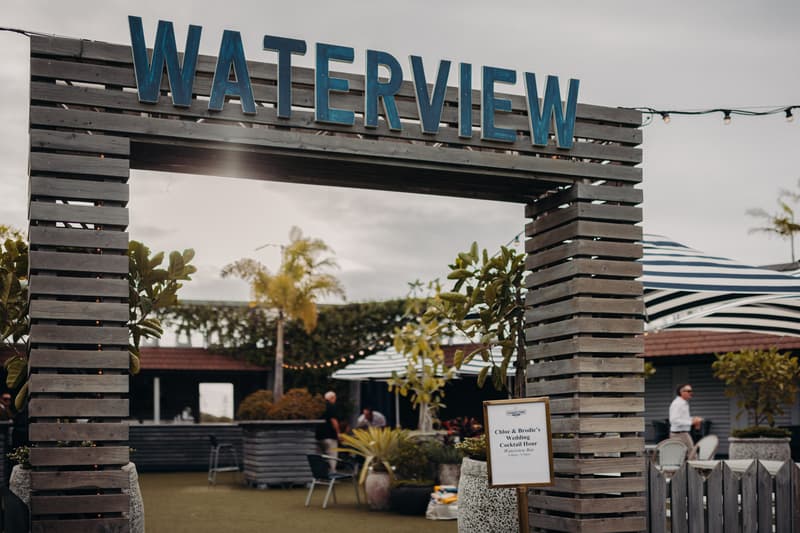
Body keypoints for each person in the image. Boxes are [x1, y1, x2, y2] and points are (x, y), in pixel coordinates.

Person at [669, 384, 702, 460]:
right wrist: (691, 423)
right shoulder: (678, 404)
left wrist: (693, 419)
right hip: (679, 434)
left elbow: (682, 418)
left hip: (682, 433)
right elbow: (674, 420)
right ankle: (695, 471)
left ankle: (689, 471)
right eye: (689, 391)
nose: (691, 393)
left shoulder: (683, 403)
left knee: (684, 457)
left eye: (691, 391)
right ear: (681, 392)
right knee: (692, 456)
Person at [315, 391, 340, 470]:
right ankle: (332, 474)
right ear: (332, 398)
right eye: (335, 398)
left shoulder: (318, 407)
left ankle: (320, 476)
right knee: (332, 457)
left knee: (319, 457)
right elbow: (334, 421)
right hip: (329, 436)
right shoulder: (331, 406)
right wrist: (338, 433)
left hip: (317, 436)